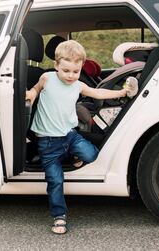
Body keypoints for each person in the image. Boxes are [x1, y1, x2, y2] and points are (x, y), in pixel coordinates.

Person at [25, 40, 136, 234]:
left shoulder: (77, 85)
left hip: (69, 136)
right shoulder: (47, 78)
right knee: (55, 181)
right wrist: (32, 95)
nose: (70, 75)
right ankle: (59, 216)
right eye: (66, 70)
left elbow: (98, 92)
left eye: (75, 71)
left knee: (91, 154)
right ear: (56, 66)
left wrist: (122, 92)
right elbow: (35, 89)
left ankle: (73, 156)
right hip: (47, 142)